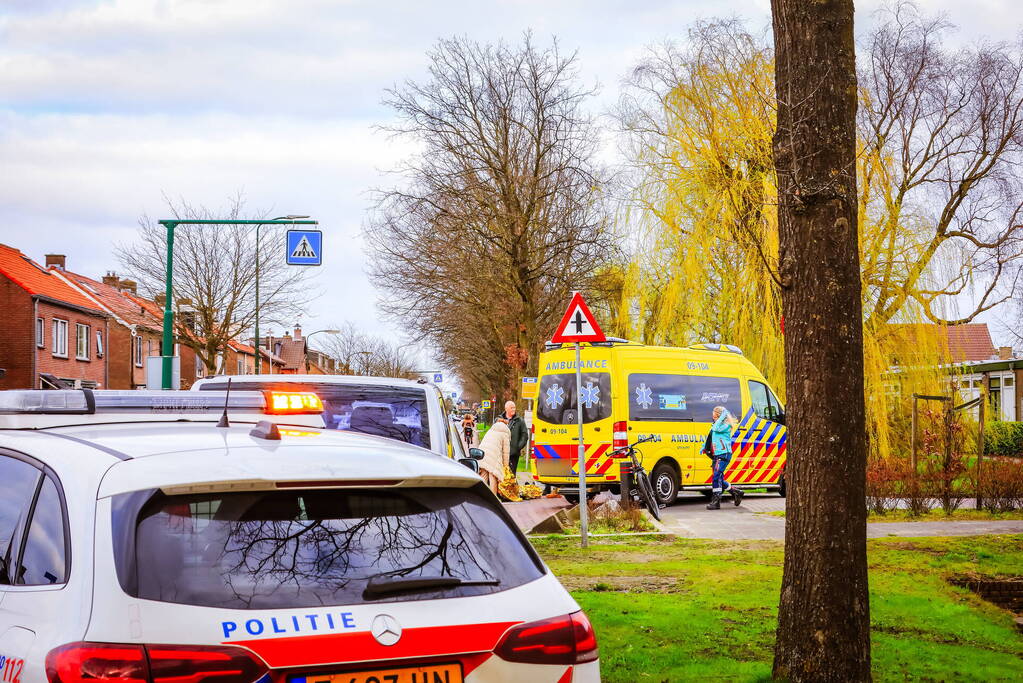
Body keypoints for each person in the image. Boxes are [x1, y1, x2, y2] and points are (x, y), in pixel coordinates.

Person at [703, 406, 744, 510]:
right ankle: (736, 492)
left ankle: (716, 501)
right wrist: (704, 447)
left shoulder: (726, 426)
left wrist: (723, 415)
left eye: (714, 413)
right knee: (719, 477)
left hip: (724, 453)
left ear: (718, 415)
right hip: (717, 454)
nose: (712, 415)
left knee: (716, 476)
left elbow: (716, 428)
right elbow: (710, 437)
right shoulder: (716, 424)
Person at [477, 415, 510, 495]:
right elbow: (506, 452)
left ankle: (481, 496)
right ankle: (493, 498)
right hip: (493, 456)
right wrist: (506, 467)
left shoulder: (491, 430)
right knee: (493, 476)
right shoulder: (505, 432)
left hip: (482, 454)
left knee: (483, 476)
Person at [500, 400, 529, 474]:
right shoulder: (499, 420)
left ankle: (512, 485)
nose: (514, 409)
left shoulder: (520, 421)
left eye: (514, 407)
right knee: (501, 474)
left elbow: (525, 435)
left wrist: (517, 447)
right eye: (511, 408)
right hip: (500, 453)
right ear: (506, 409)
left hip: (513, 454)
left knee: (512, 474)